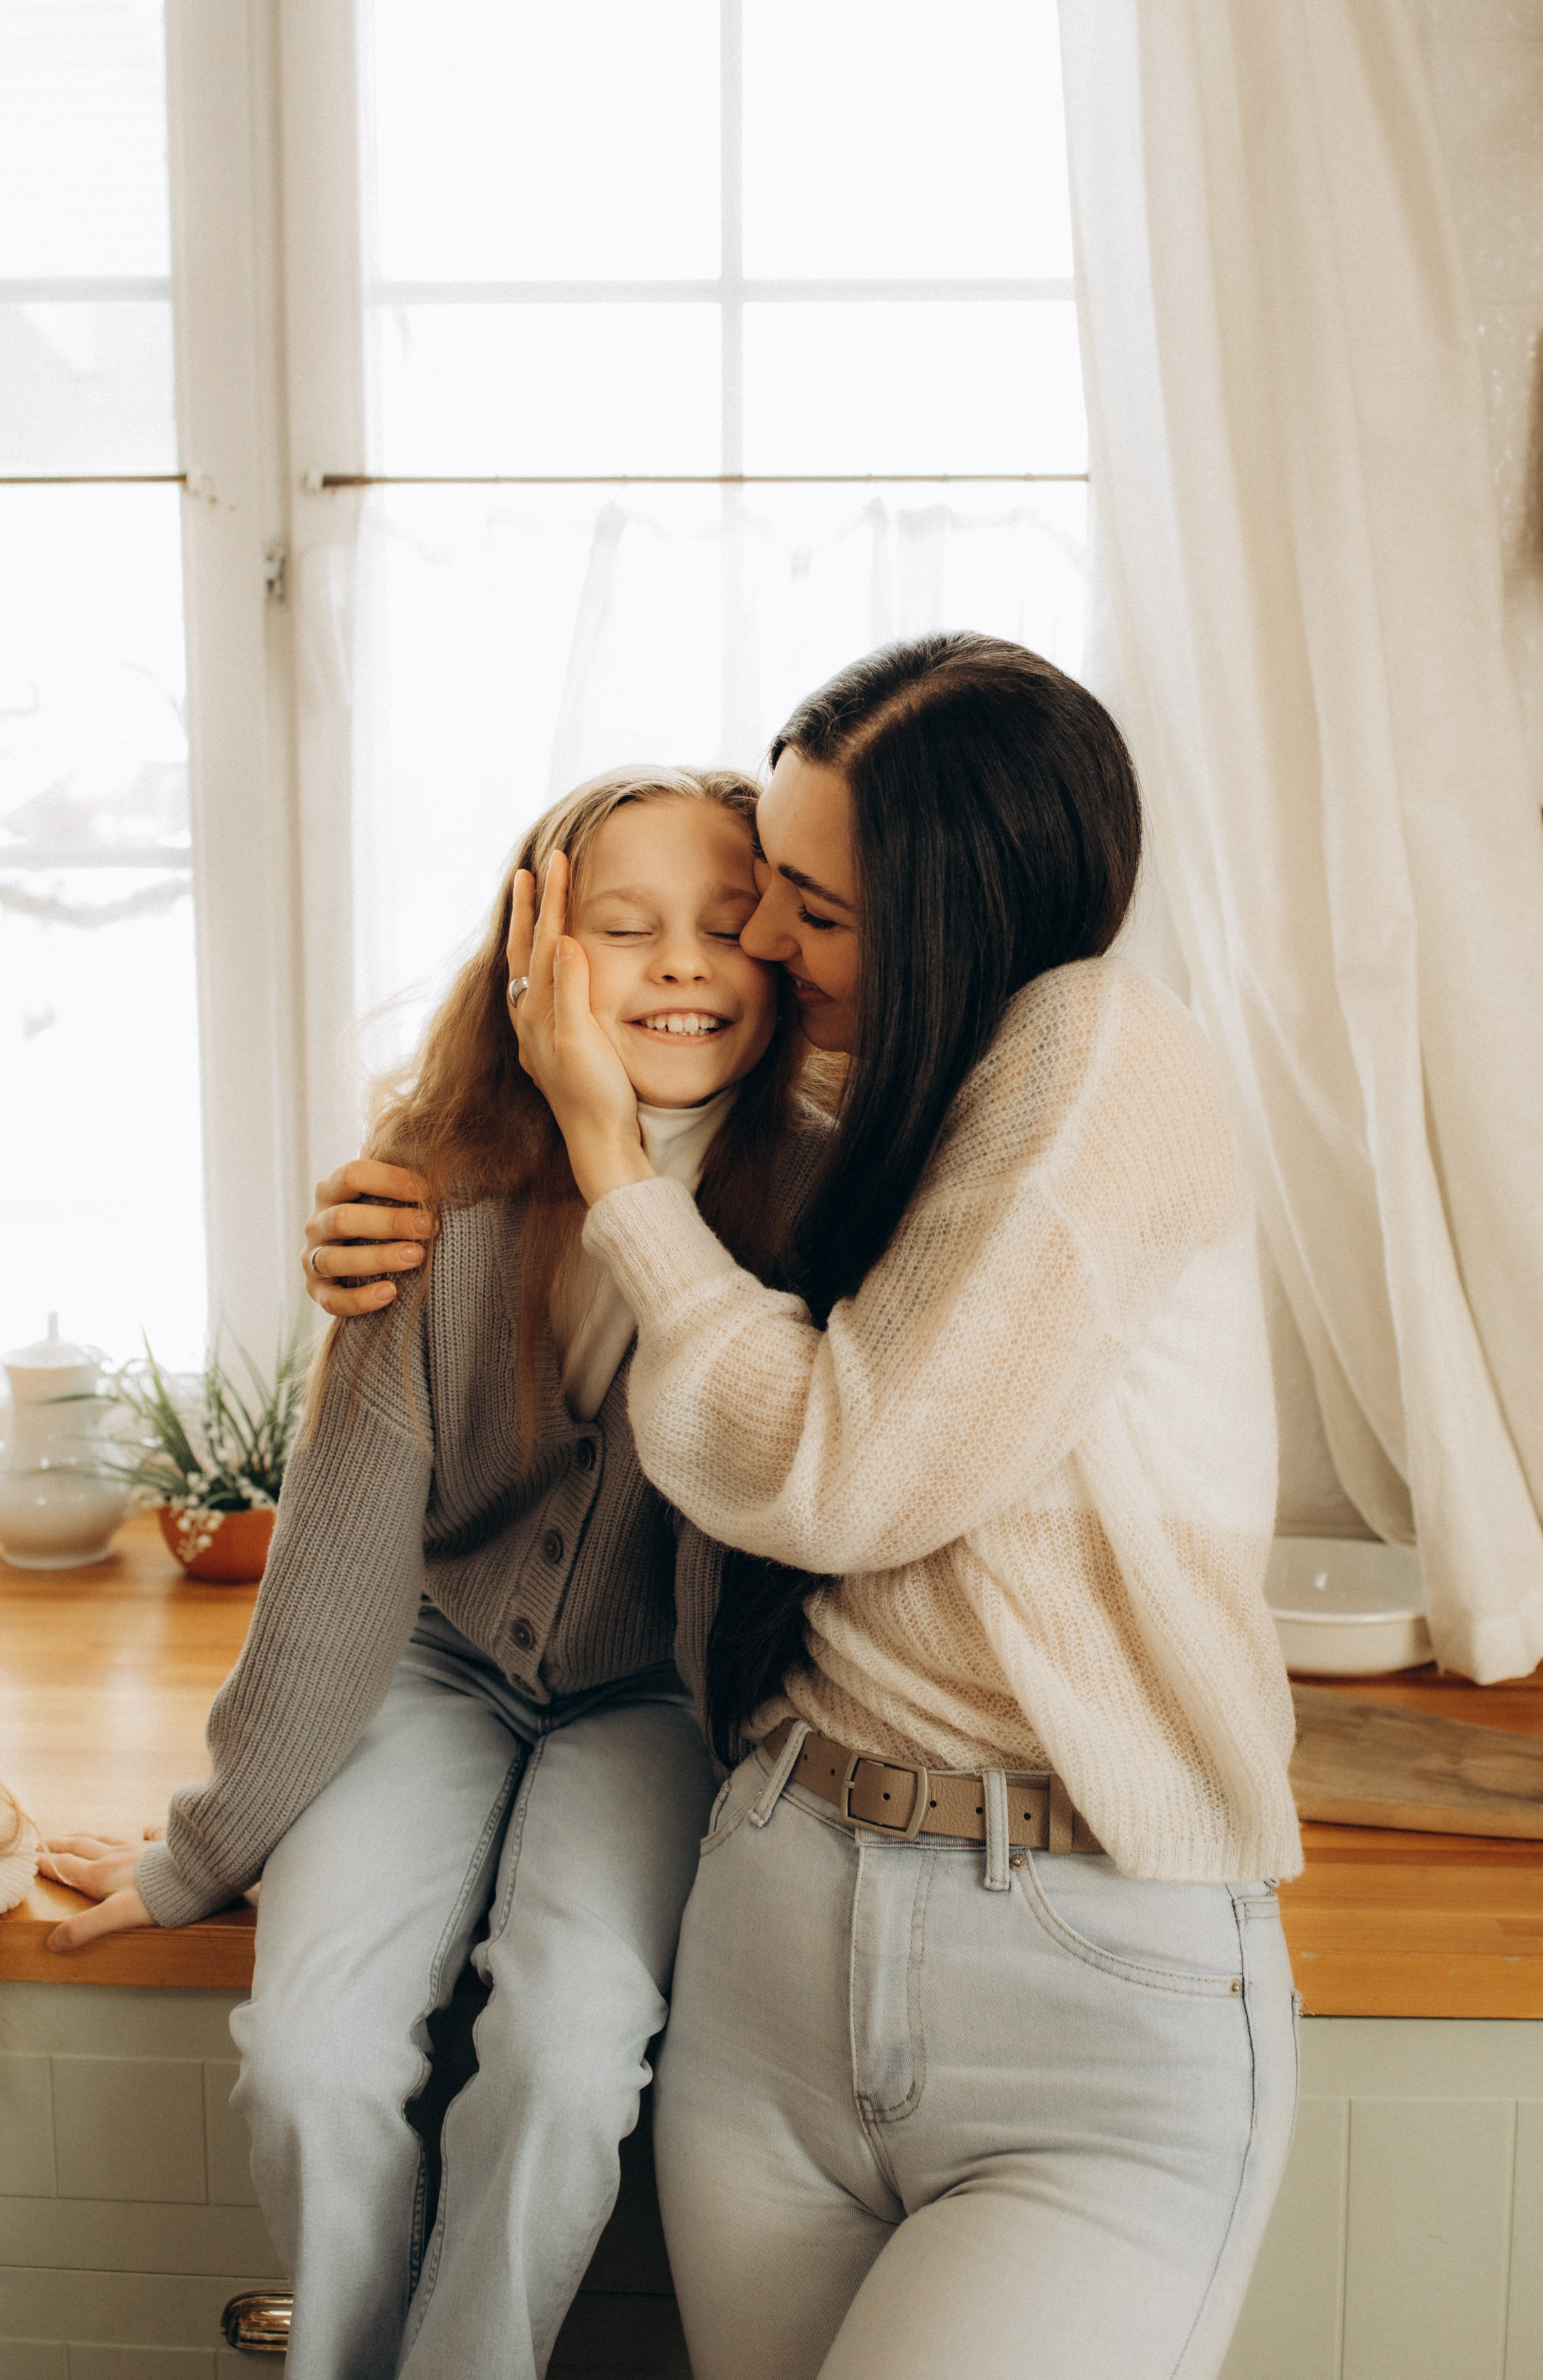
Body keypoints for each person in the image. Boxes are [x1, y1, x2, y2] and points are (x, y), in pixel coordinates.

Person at [309, 634, 1304, 2380]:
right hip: (782, 1920)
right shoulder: (888, 1082)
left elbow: (834, 1469)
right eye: (775, 881)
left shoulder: (1093, 1058)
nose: (764, 941)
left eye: (812, 912)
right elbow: (684, 1131)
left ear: (953, 913)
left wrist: (607, 1162)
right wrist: (410, 1190)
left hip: (1076, 1964)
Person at [38, 766, 828, 2380]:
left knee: (565, 2049)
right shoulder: (433, 1181)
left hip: (659, 1708)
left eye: (724, 924)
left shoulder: (829, 1197)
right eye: (626, 926)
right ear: (538, 952)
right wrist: (207, 1847)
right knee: (312, 2060)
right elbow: (336, 1556)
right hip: (433, 1658)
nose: (682, 962)